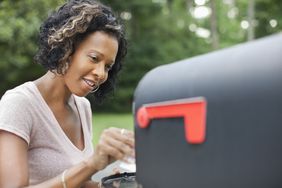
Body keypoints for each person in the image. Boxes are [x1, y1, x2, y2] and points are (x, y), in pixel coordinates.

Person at [0, 0, 134, 187]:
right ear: (66, 49)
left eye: (107, 66)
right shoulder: (19, 104)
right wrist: (92, 164)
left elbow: (77, 183)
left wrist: (108, 184)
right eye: (94, 58)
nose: (101, 73)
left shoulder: (82, 107)